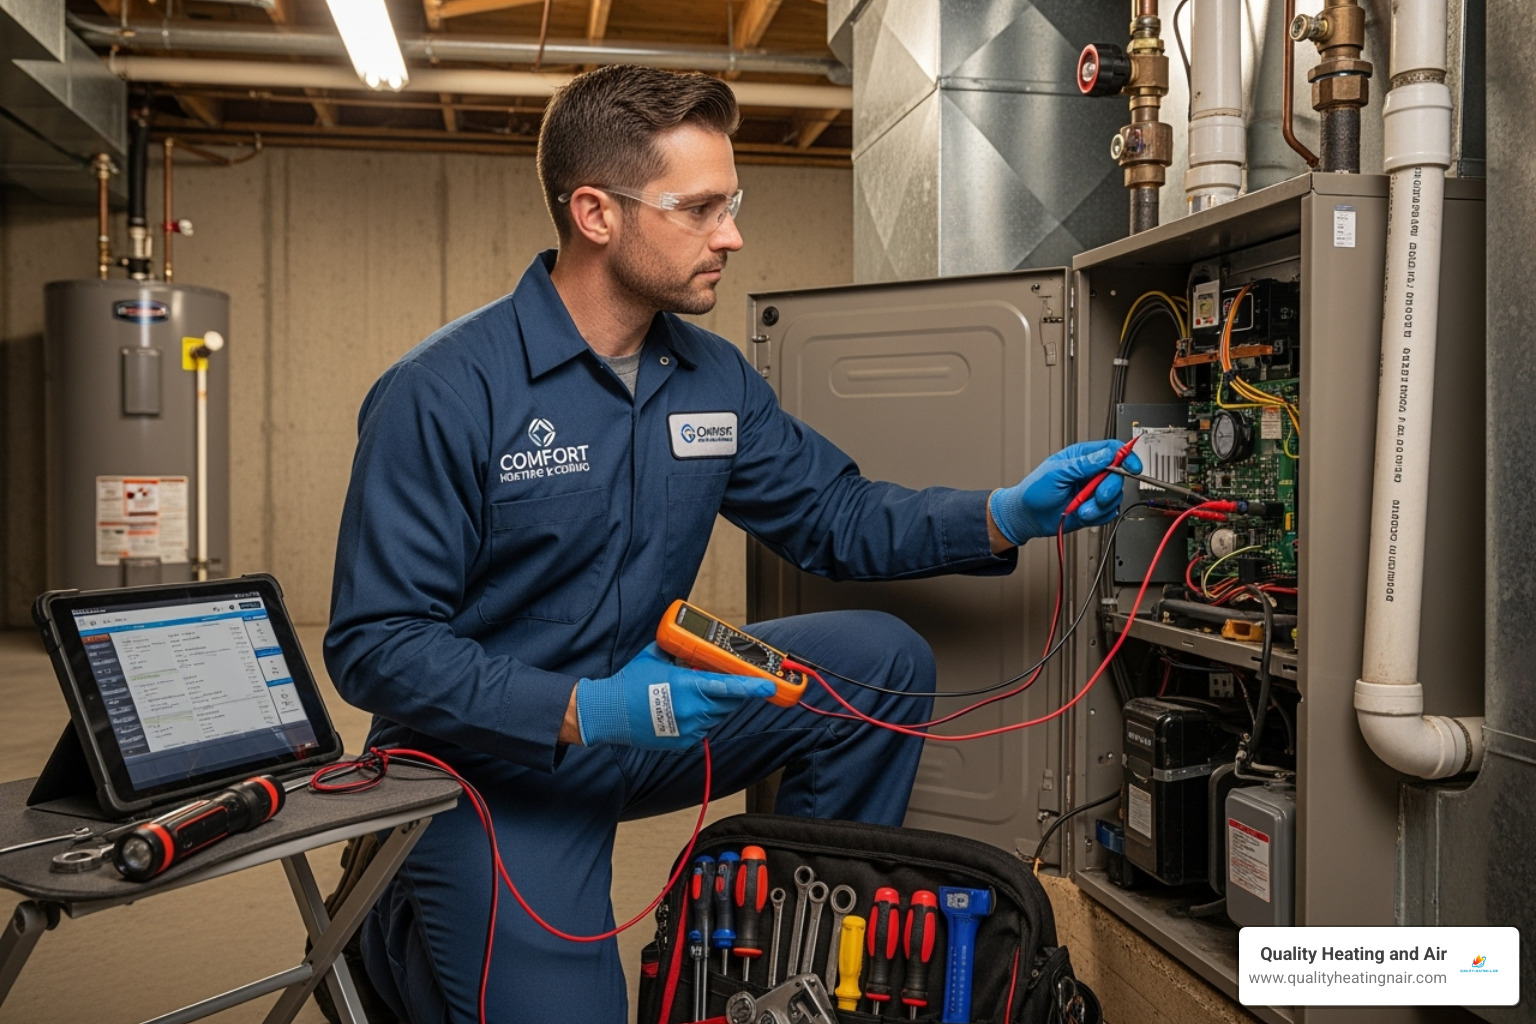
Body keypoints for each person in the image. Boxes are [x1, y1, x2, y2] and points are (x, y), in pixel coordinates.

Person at [324, 64, 1139, 1024]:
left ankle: (804, 910)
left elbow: (834, 516)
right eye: (702, 207)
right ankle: (398, 931)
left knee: (876, 660)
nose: (733, 235)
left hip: (651, 714)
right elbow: (374, 644)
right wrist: (586, 709)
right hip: (487, 761)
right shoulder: (447, 391)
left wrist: (1005, 513)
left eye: (733, 202)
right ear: (596, 212)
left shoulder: (709, 378)